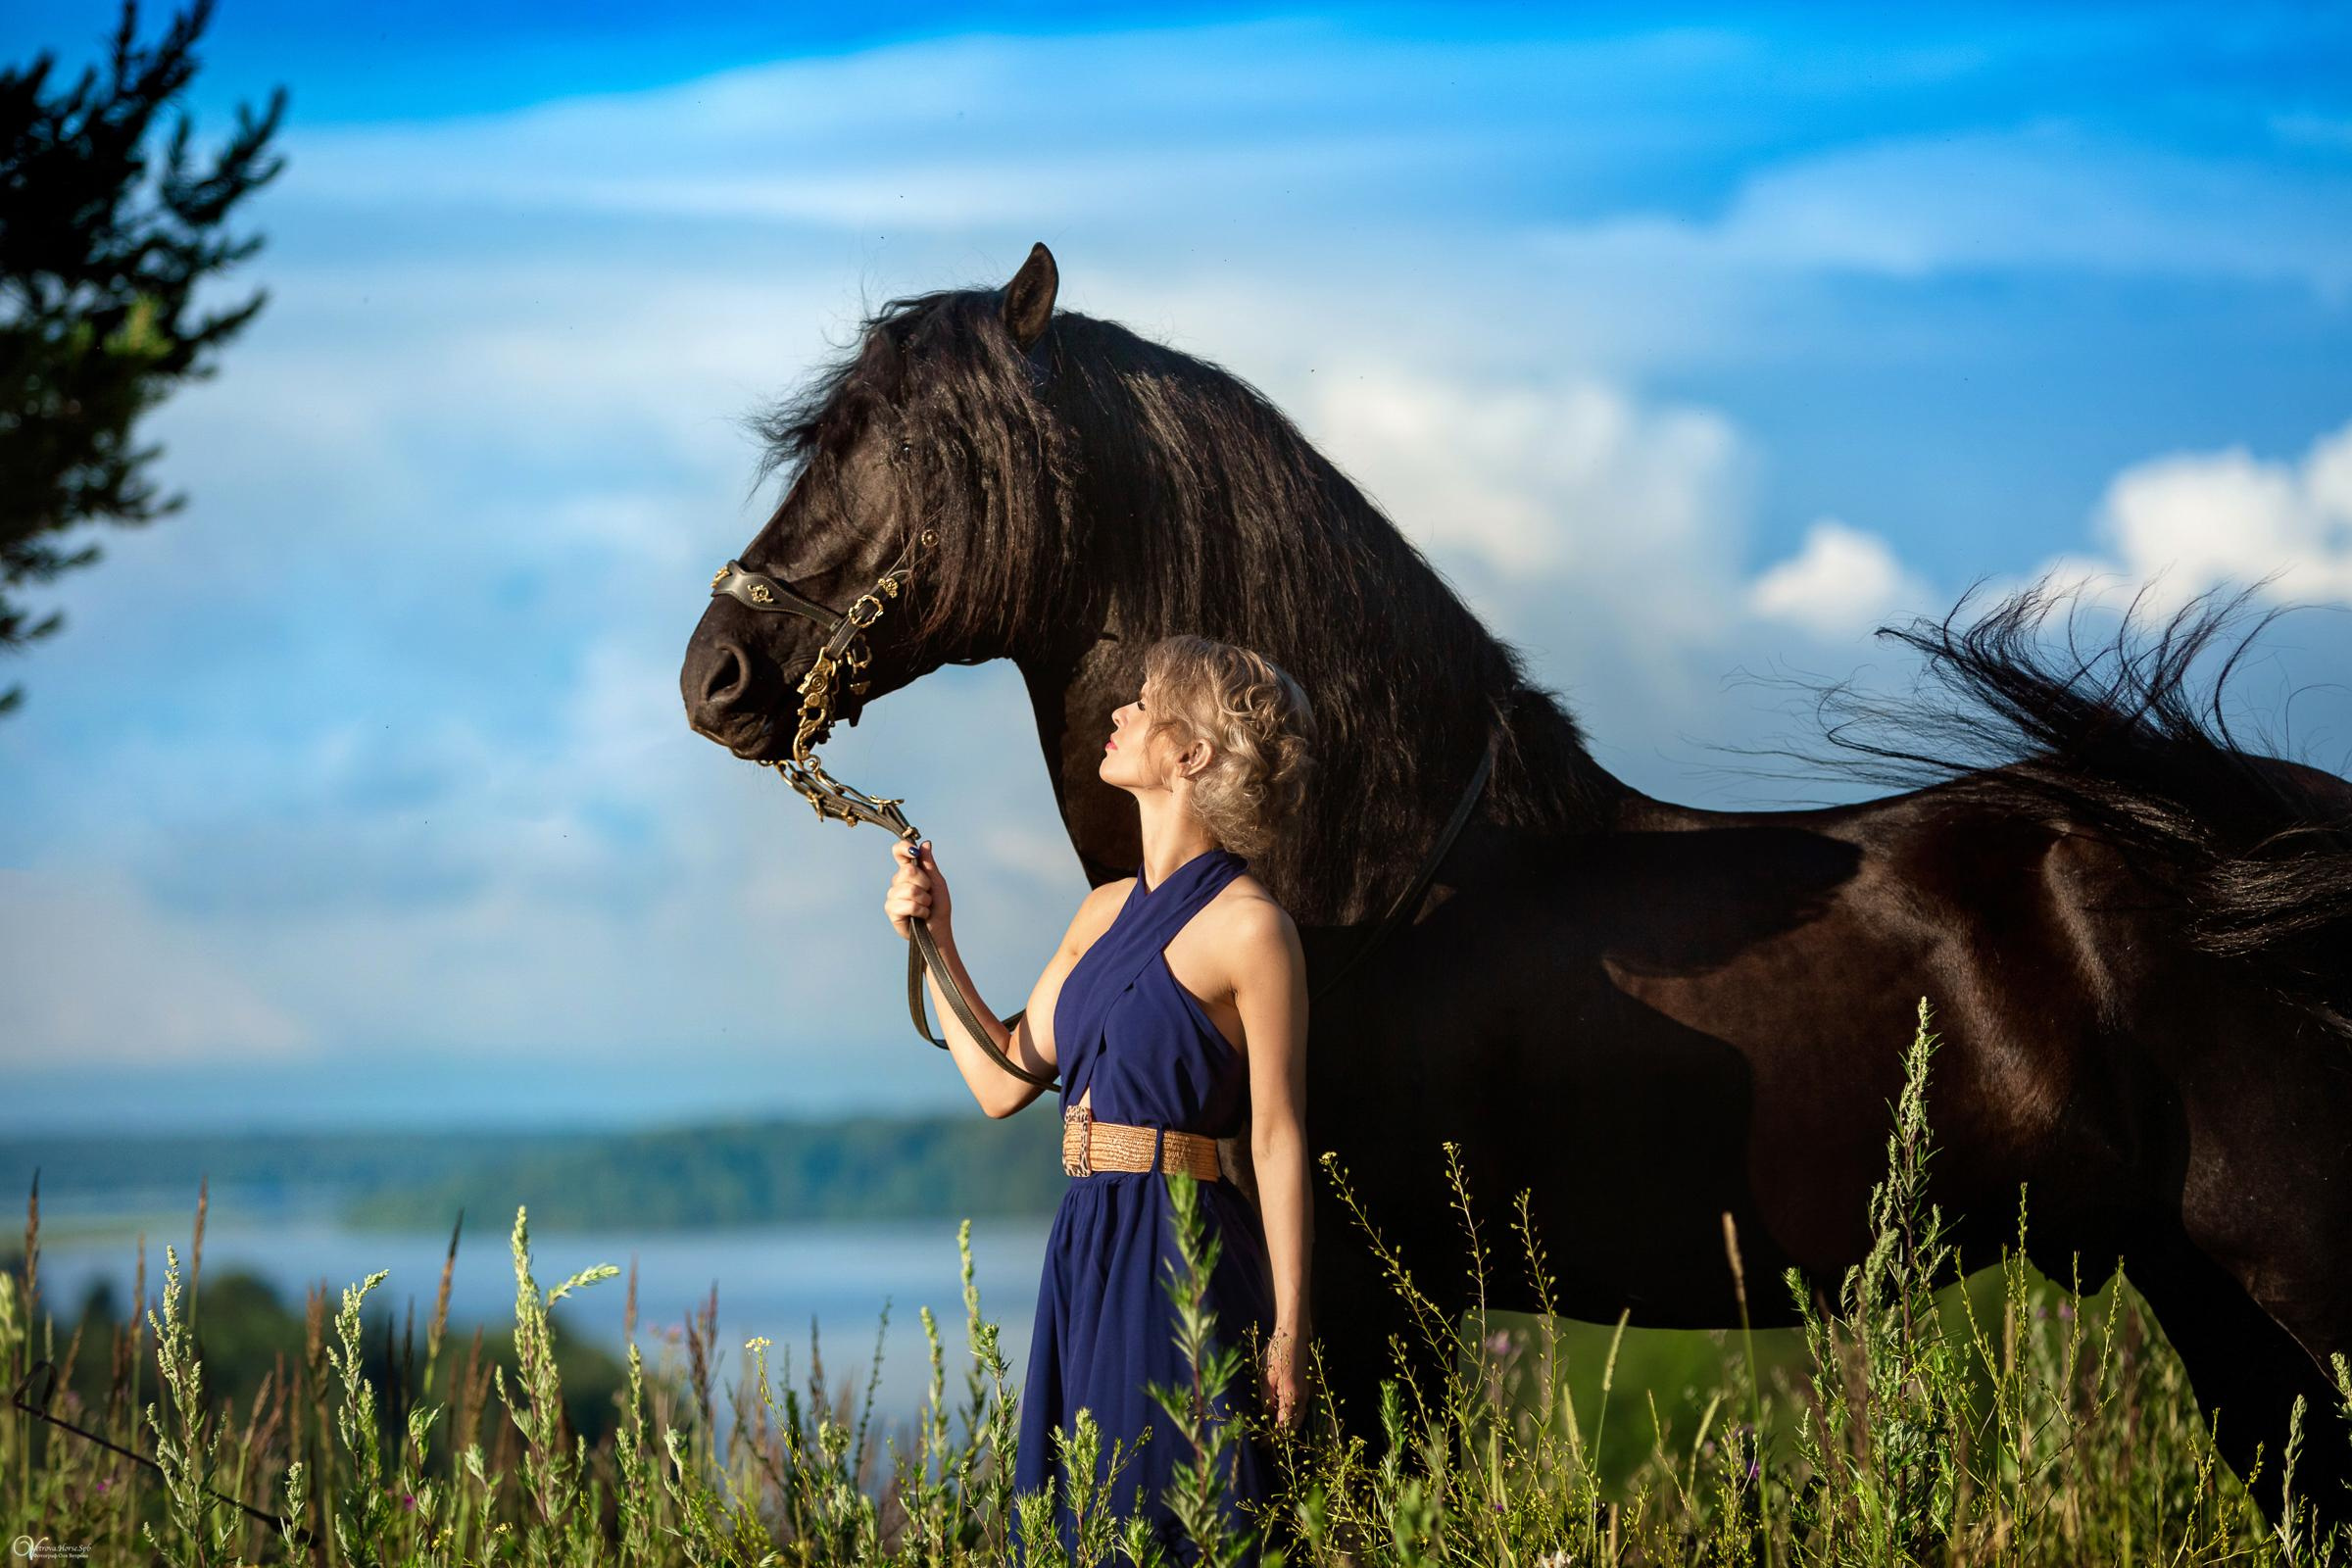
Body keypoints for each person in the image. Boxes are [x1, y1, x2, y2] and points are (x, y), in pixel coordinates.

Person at [882, 633, 1316, 1565]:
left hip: (1184, 1252)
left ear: (1191, 755)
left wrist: (1291, 1326)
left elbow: (1278, 1139)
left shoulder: (1254, 930)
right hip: (1083, 1241)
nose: (1119, 714)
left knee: (1166, 1524)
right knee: (1080, 1520)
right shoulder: (1099, 910)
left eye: (1145, 703)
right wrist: (934, 935)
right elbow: (1002, 1081)